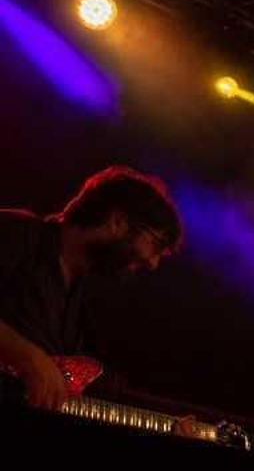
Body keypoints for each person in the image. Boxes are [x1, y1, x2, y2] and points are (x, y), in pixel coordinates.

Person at [0, 165, 182, 409]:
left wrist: (171, 428)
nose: (153, 262)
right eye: (156, 244)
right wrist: (30, 358)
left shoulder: (83, 298)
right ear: (116, 222)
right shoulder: (17, 233)